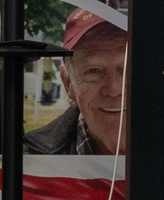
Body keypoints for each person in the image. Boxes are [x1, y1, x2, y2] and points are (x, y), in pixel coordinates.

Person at [24, 8, 128, 156]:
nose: (114, 89)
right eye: (94, 71)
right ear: (68, 84)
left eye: (130, 68)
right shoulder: (28, 167)